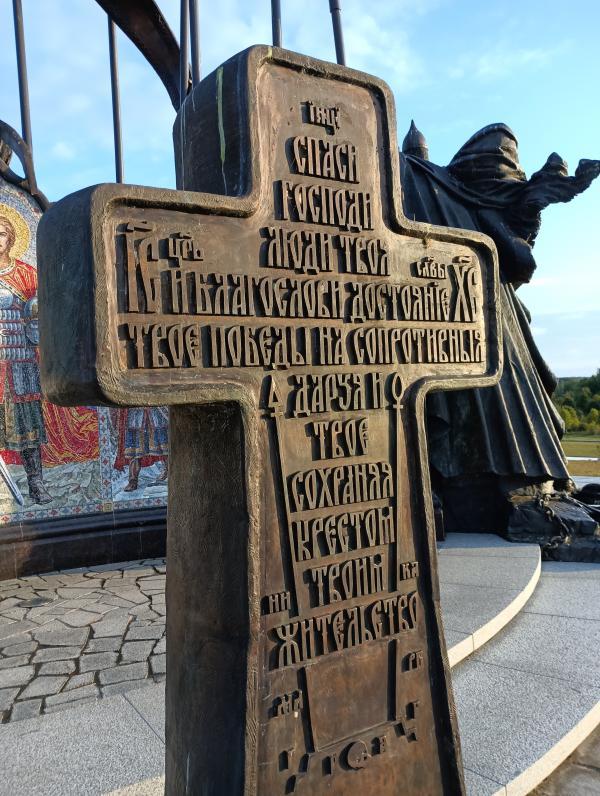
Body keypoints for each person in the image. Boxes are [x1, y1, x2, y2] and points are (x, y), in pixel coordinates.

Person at [0, 205, 50, 504]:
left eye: (1, 234)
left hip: (21, 360)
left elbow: (40, 317)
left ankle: (36, 483)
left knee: (28, 423)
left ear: (11, 238)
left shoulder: (26, 275)